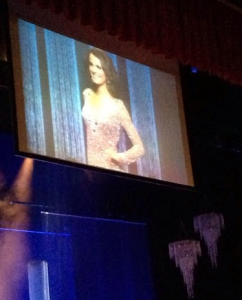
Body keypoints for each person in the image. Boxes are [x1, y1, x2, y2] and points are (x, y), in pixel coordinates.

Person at [82, 47, 145, 172]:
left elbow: (139, 148)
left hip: (110, 170)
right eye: (91, 65)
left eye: (99, 67)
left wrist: (118, 157)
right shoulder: (87, 95)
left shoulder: (117, 106)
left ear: (107, 71)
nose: (93, 70)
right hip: (90, 169)